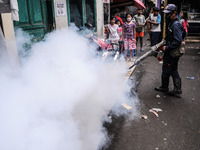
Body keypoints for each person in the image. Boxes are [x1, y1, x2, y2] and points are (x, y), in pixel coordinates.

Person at [155, 4, 185, 95]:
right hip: (170, 50)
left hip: (172, 51)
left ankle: (170, 88)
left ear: (174, 13)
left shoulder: (175, 25)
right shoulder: (172, 23)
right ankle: (170, 87)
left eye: (169, 13)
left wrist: (167, 47)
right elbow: (182, 35)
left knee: (169, 69)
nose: (167, 15)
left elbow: (178, 40)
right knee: (171, 69)